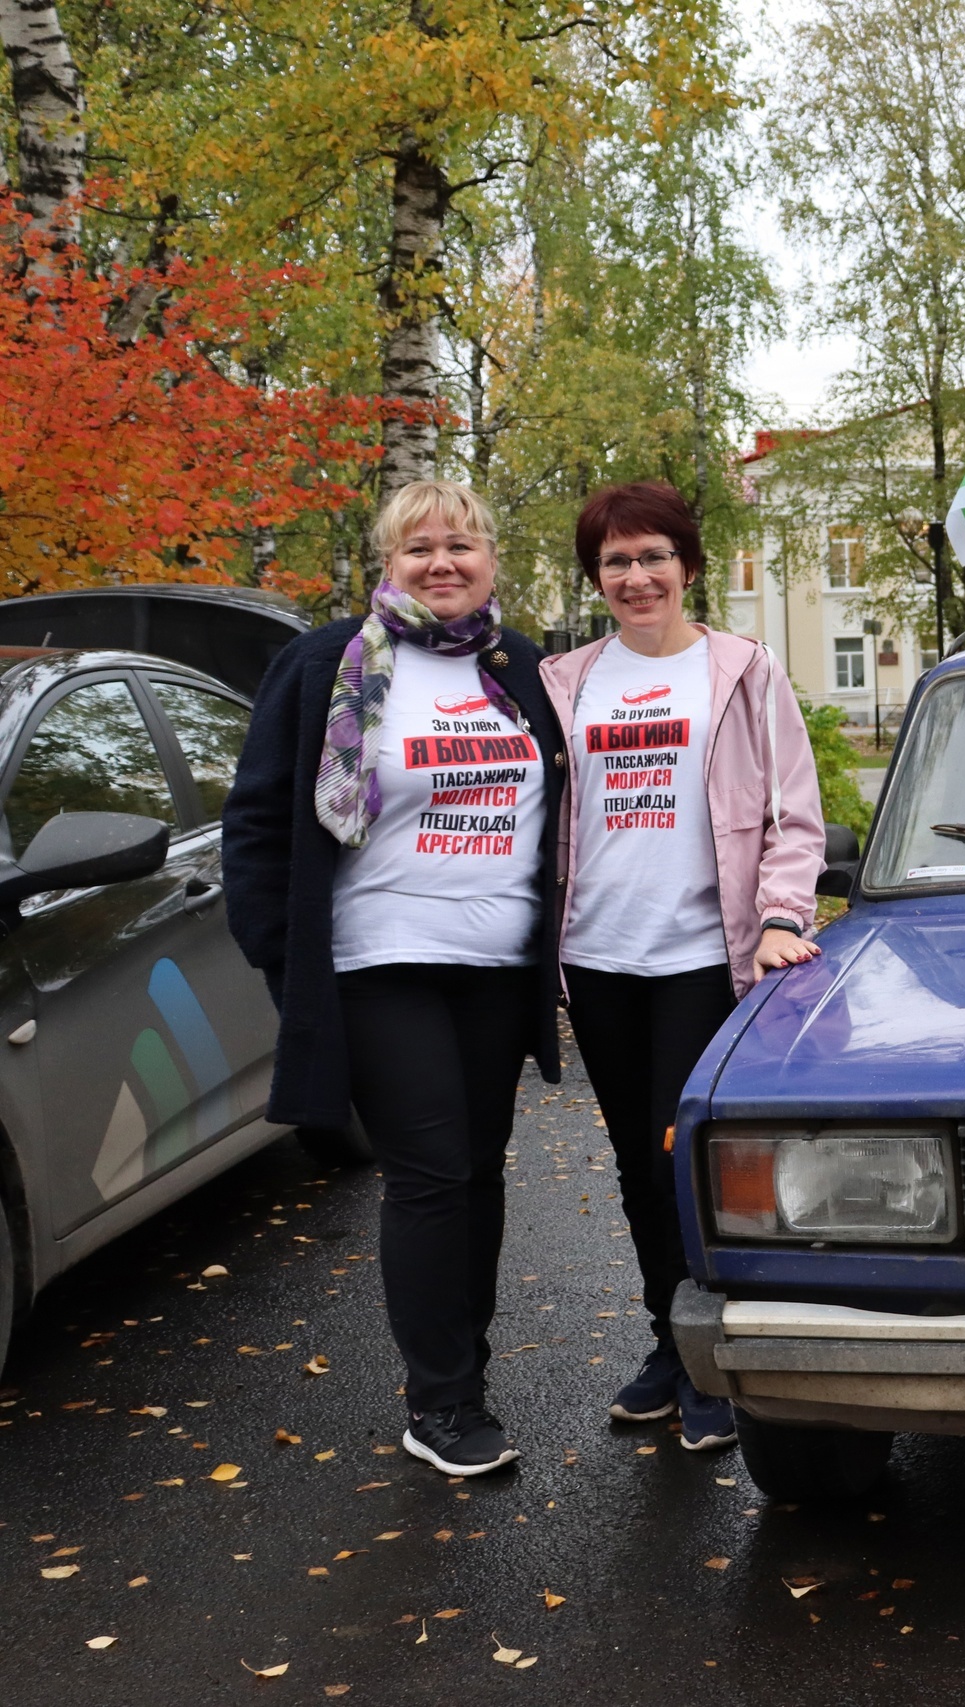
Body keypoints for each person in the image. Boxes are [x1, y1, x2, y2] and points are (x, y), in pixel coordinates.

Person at [224, 480, 567, 1476]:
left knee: (477, 1173)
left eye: (459, 545)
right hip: (379, 959)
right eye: (417, 550)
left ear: (491, 559)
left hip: (497, 965)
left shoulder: (525, 671)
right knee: (428, 1173)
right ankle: (443, 1403)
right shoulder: (329, 663)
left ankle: (464, 1370)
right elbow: (256, 820)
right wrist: (276, 949)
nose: (441, 564)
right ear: (388, 564)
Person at [541, 480, 826, 1454]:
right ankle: (670, 1343)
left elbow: (795, 811)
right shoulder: (564, 682)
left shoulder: (740, 672)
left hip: (704, 958)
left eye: (652, 556)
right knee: (632, 1164)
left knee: (682, 1162)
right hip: (599, 957)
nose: (636, 576)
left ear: (688, 566)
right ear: (598, 578)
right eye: (616, 561)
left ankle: (715, 1364)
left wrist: (782, 916)